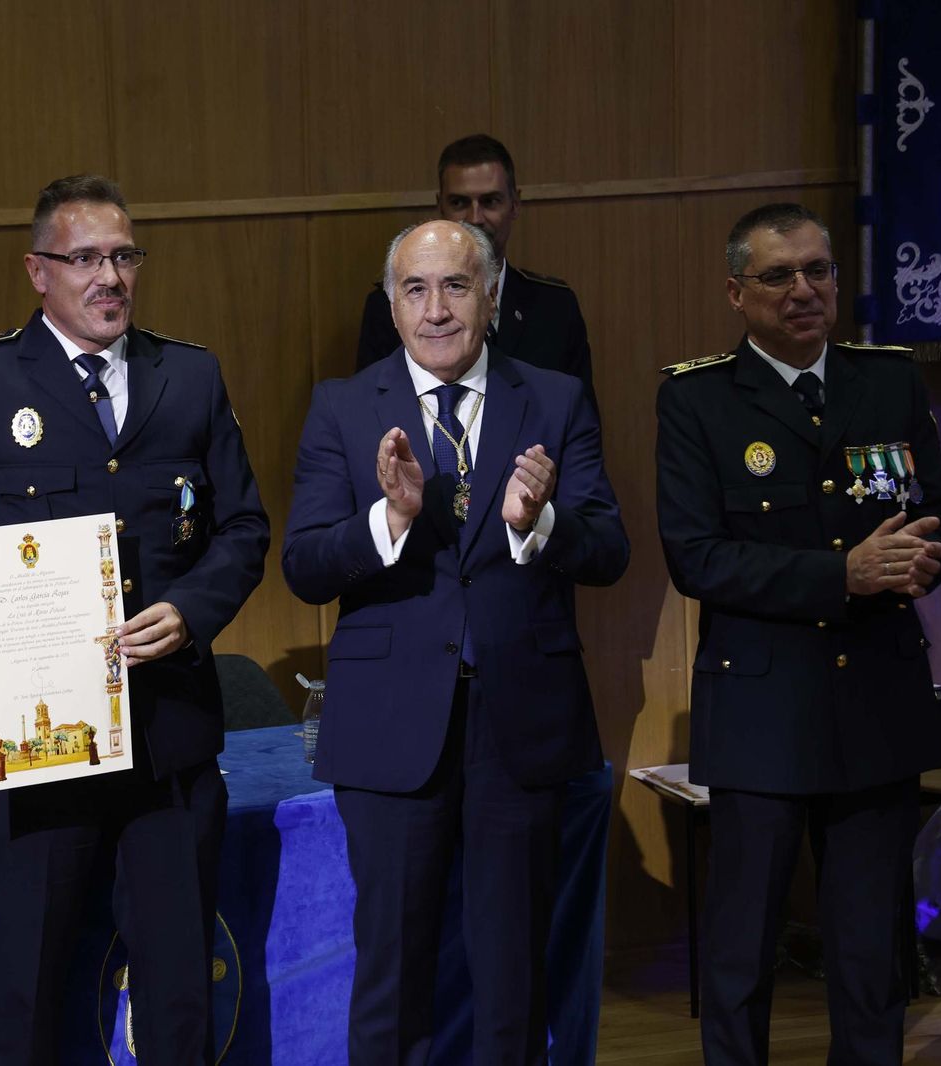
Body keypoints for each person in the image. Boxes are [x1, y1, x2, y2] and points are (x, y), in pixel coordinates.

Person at [0, 174, 268, 1064]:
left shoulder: (190, 374)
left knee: (178, 998)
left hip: (169, 734)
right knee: (27, 993)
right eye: (85, 258)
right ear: (37, 272)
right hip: (37, 747)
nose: (110, 277)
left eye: (124, 256)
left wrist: (192, 610)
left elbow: (243, 527)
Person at [284, 219, 628, 1064]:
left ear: (493, 296)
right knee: (394, 976)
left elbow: (610, 550)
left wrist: (536, 522)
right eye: (415, 290)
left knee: (512, 978)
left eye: (456, 286)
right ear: (392, 306)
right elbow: (304, 564)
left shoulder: (554, 398)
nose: (436, 310)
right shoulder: (341, 405)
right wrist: (389, 519)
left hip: (522, 729)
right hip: (391, 730)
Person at [655, 202, 941, 1065]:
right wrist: (843, 575)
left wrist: (922, 555)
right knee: (740, 955)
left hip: (876, 701)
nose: (805, 291)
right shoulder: (697, 400)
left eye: (819, 272)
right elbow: (697, 559)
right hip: (762, 711)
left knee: (872, 959)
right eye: (779, 276)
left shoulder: (889, 381)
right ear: (735, 291)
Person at [354, 133, 593, 405]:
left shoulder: (555, 306)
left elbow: (581, 421)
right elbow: (371, 409)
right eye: (459, 203)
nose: (475, 218)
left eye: (490, 201)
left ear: (515, 204)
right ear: (440, 206)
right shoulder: (388, 306)